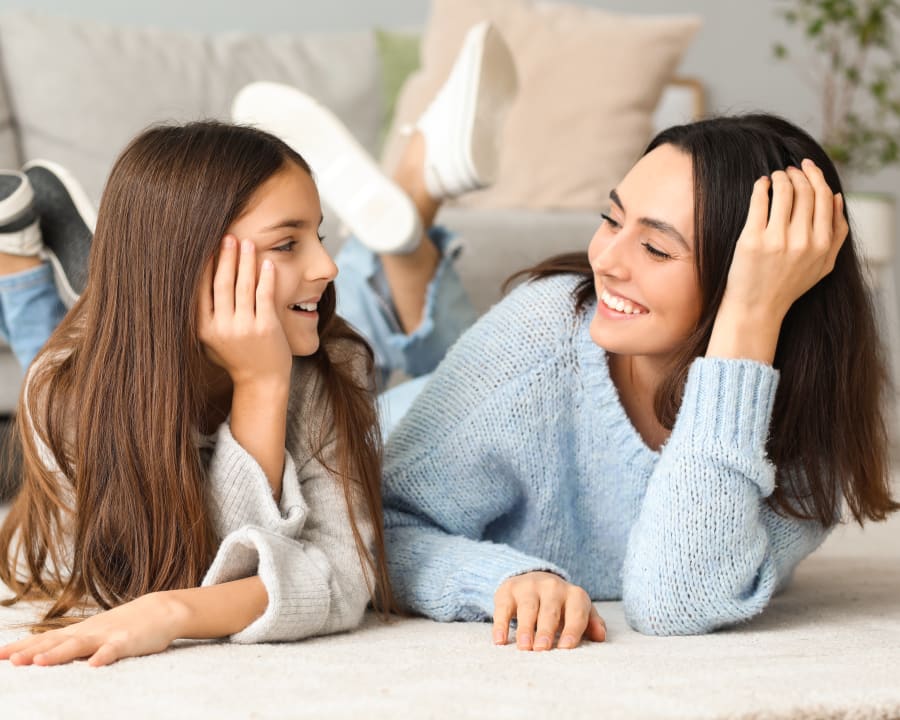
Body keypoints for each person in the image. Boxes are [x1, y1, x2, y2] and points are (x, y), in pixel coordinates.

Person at [0, 21, 517, 666]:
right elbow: (144, 579)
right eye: (287, 243)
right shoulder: (66, 395)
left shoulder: (332, 365)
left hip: (179, 324)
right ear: (190, 266)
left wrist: (263, 385)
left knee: (444, 392)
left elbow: (343, 581)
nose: (328, 266)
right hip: (125, 346)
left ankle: (65, 272)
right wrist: (257, 390)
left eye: (319, 235)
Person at [379, 113, 900, 651]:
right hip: (392, 422)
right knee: (334, 371)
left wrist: (747, 317)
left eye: (655, 249)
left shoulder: (811, 423)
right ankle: (403, 212)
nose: (603, 259)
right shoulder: (540, 332)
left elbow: (679, 599)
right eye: (611, 218)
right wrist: (502, 579)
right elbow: (374, 527)